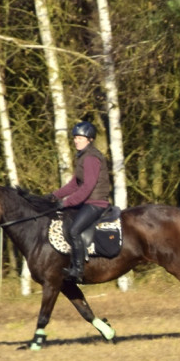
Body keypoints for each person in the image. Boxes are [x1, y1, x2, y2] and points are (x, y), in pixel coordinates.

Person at [53, 121, 111, 282]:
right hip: (87, 202)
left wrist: (66, 202)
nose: (76, 141)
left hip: (96, 203)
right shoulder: (83, 156)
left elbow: (87, 187)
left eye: (80, 138)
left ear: (89, 139)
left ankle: (78, 270)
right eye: (75, 138)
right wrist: (54, 196)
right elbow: (74, 184)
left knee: (74, 230)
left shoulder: (91, 158)